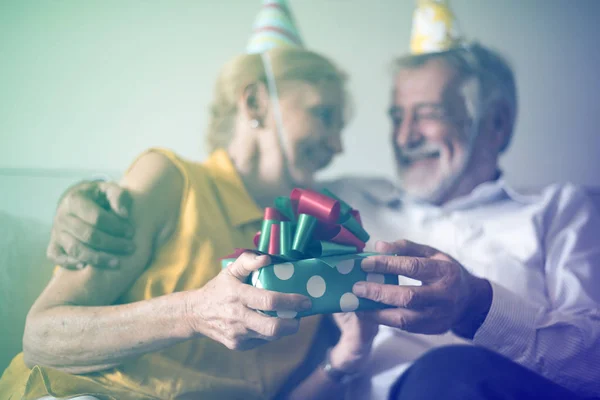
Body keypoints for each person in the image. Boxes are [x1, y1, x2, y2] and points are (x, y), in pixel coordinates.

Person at [34, 1, 600, 399]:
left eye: (426, 113)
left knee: (452, 373)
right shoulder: (329, 206)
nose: (400, 137)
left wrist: (478, 305)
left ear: (495, 123)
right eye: (395, 117)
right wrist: (86, 201)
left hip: (486, 386)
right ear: (255, 103)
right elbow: (48, 331)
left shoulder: (561, 210)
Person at [0, 2, 381, 399]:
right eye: (323, 115)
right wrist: (192, 312)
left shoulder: (314, 238)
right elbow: (41, 336)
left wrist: (343, 358)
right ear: (254, 103)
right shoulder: (170, 179)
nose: (338, 145)